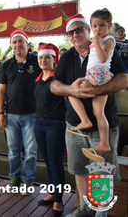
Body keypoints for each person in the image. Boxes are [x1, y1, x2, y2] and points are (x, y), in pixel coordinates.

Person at [50, 13, 128, 217]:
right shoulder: (67, 56)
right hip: (74, 126)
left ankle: (101, 212)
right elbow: (55, 85)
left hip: (102, 125)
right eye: (70, 32)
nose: (75, 35)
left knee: (101, 171)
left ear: (88, 30)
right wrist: (72, 91)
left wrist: (95, 91)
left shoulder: (106, 48)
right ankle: (84, 210)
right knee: (80, 170)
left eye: (79, 30)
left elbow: (123, 80)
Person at [67, 9, 115, 162]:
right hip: (94, 75)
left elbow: (103, 59)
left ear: (109, 26)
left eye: (101, 26)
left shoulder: (107, 41)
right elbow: (55, 85)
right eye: (95, 26)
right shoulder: (69, 56)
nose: (98, 30)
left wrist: (95, 43)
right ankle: (104, 143)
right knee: (98, 112)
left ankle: (85, 121)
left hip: (98, 75)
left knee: (72, 92)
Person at [0, 29, 41, 195]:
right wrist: (0, 113)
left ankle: (28, 181)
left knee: (30, 151)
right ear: (11, 45)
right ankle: (14, 179)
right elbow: (1, 91)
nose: (17, 45)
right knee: (13, 151)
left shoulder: (37, 61)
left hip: (31, 115)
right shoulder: (6, 65)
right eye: (14, 42)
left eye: (20, 41)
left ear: (27, 44)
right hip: (11, 115)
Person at [34, 44, 66, 216]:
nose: (43, 60)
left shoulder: (59, 79)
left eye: (47, 57)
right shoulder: (38, 79)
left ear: (54, 59)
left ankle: (59, 200)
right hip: (39, 124)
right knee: (47, 162)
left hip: (56, 124)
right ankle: (53, 193)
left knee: (55, 163)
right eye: (41, 57)